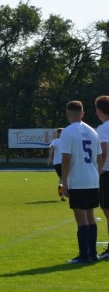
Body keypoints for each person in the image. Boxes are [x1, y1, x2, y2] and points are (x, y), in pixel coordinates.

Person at [60, 100, 102, 264]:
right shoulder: (93, 131)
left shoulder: (68, 132)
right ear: (83, 113)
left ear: (67, 114)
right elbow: (99, 158)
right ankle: (93, 253)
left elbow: (66, 158)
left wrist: (64, 182)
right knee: (90, 215)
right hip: (93, 179)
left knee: (81, 217)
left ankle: (84, 255)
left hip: (78, 179)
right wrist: (96, 177)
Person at [95, 95, 109, 260]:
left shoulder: (104, 128)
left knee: (108, 211)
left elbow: (104, 151)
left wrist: (97, 171)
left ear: (99, 110)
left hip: (107, 172)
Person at [47, 128, 66, 201]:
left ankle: (60, 185)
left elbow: (51, 147)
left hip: (56, 163)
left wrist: (49, 157)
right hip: (65, 162)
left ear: (58, 134)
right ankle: (63, 195)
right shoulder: (66, 141)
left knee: (61, 177)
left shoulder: (55, 141)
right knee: (66, 178)